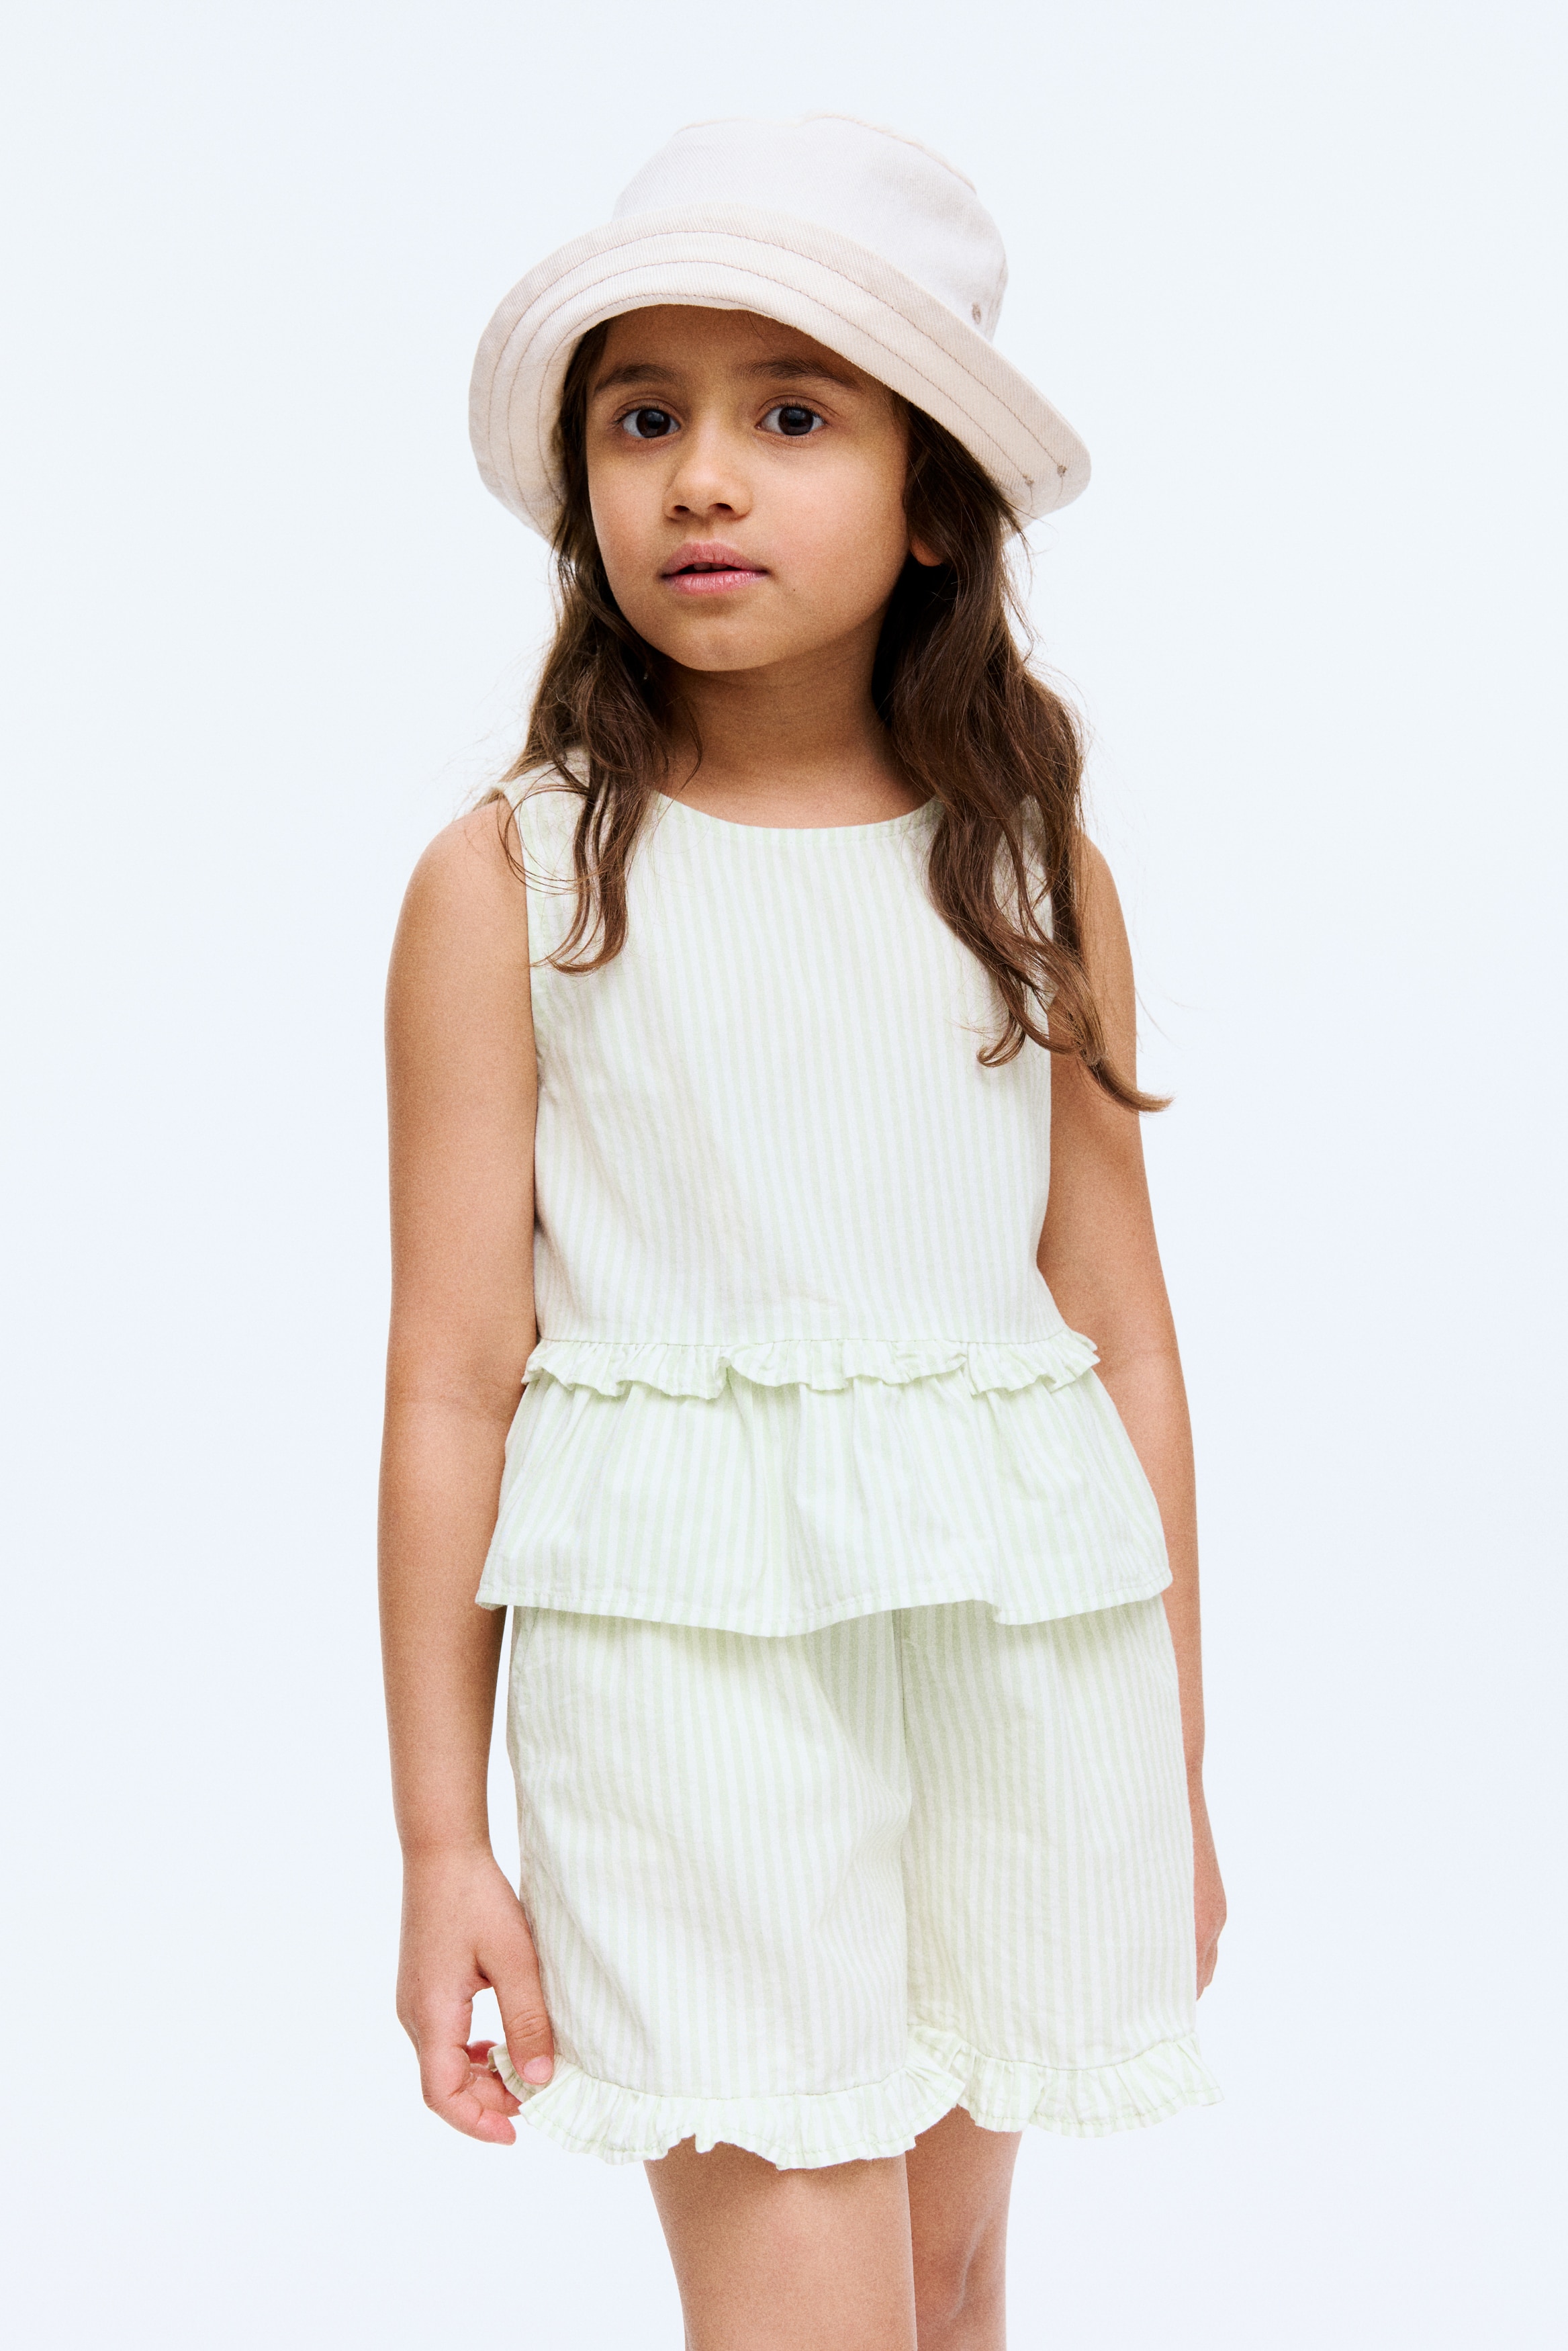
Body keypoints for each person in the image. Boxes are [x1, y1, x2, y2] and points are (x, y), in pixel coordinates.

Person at [379, 114, 1226, 2351]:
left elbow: (1123, 1330)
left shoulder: (1026, 869)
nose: (699, 479)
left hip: (1016, 1661)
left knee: (944, 2284)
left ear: (931, 496)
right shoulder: (516, 883)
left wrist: (1172, 1760)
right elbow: (453, 1379)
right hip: (684, 1678)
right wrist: (448, 1843)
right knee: (808, 2306)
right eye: (641, 418)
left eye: (789, 416)